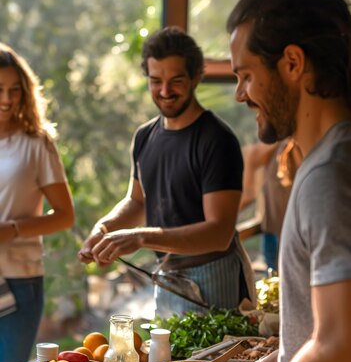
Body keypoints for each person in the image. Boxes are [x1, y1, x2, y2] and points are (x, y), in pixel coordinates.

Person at [202, 0, 351, 362]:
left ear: (292, 62)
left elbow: (341, 358)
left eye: (244, 73)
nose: (239, 92)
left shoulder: (331, 176)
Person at [79, 27, 255, 317]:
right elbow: (138, 201)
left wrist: (139, 238)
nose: (164, 91)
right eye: (155, 81)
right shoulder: (145, 136)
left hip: (216, 278)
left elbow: (219, 233)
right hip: (169, 277)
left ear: (197, 76)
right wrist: (105, 229)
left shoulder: (216, 140)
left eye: (176, 81)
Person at [0, 43, 74, 362]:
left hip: (20, 278)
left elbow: (64, 216)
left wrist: (12, 229)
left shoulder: (37, 143)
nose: (7, 99)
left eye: (15, 90)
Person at [240, 138, 302, 270]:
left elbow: (248, 195)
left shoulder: (270, 150)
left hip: (282, 233)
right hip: (283, 231)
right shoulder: (280, 148)